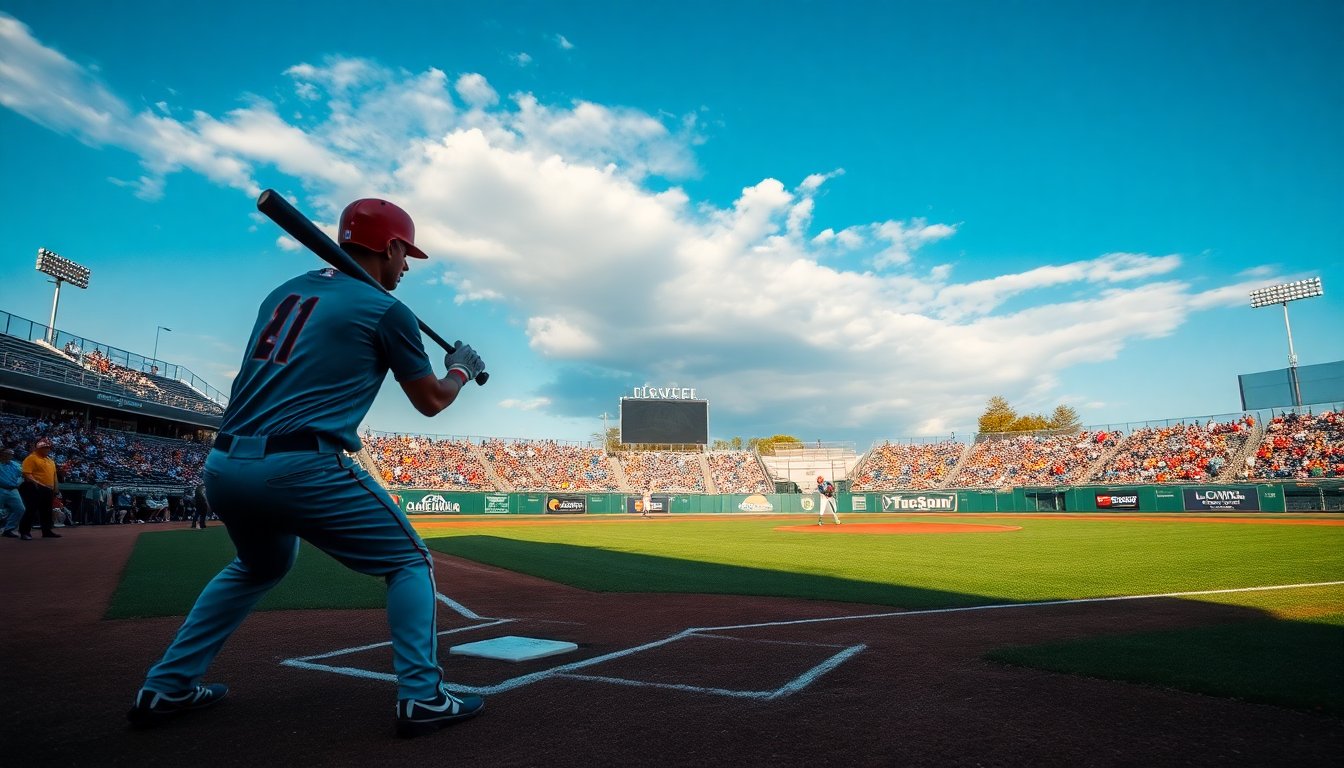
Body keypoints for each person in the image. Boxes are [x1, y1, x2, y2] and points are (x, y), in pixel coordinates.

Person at [127, 197, 488, 739]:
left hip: (223, 465)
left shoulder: (283, 293)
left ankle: (167, 685)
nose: (406, 267)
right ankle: (422, 697)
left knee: (259, 565)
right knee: (410, 560)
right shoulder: (387, 310)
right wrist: (459, 369)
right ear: (390, 247)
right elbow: (431, 401)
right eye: (406, 255)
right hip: (301, 464)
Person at [18, 438, 61, 539]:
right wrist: (38, 483)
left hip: (48, 489)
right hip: (34, 487)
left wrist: (55, 488)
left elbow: (54, 475)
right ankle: (25, 532)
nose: (48, 449)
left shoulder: (50, 460)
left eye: (49, 448)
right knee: (31, 509)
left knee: (47, 511)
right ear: (38, 448)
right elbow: (27, 474)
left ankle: (47, 531)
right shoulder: (31, 458)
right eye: (45, 448)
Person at [0, 447, 26, 538]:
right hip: (1, 488)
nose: (10, 456)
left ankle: (9, 529)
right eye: (8, 454)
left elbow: (23, 474)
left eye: (11, 454)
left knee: (20, 509)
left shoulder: (16, 464)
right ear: (2, 454)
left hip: (13, 489)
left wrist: (19, 481)